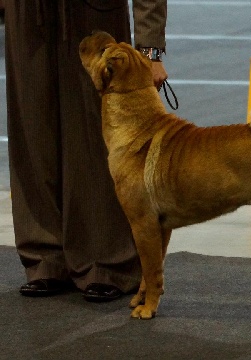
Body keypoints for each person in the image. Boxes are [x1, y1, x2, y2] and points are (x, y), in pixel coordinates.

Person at [5, 0, 168, 302]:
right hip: (26, 17)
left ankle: (108, 264)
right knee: (33, 138)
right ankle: (44, 258)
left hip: (93, 16)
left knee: (97, 146)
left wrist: (150, 49)